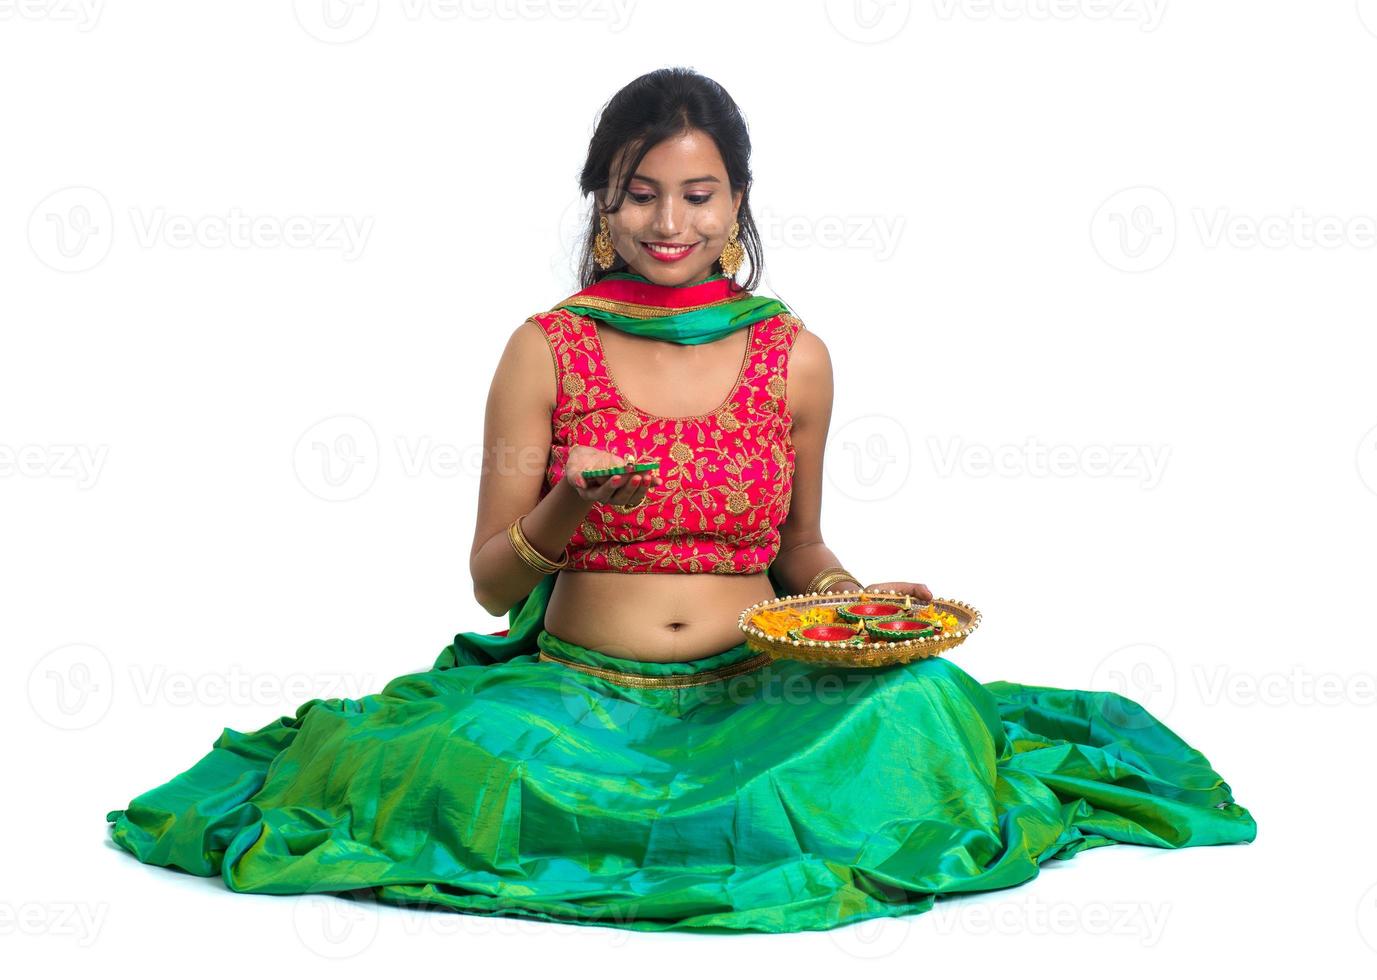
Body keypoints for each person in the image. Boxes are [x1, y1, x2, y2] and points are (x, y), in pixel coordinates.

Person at [105, 67, 1257, 935]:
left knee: (917, 709)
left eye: (697, 195)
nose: (669, 223)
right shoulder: (545, 348)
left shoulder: (793, 353)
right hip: (571, 698)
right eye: (640, 194)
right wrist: (562, 503)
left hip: (749, 684)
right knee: (458, 770)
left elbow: (800, 548)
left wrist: (861, 610)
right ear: (602, 204)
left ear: (737, 200)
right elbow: (491, 579)